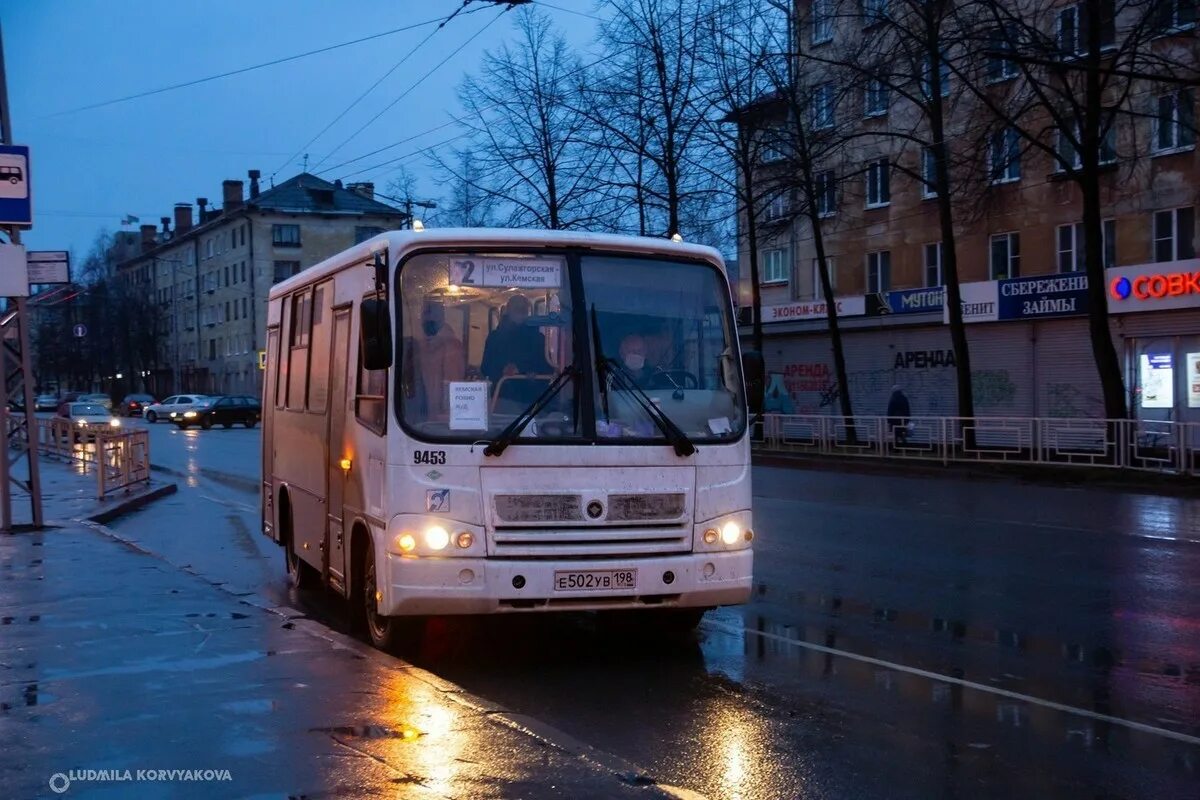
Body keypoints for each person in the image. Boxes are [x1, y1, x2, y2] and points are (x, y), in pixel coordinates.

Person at [480, 295, 551, 390]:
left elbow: (548, 367)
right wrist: (503, 369)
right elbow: (486, 367)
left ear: (528, 311)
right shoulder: (495, 337)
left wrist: (533, 372)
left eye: (523, 308)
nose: (520, 310)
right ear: (508, 310)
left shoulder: (538, 338)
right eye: (516, 307)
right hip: (503, 395)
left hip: (533, 396)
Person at [411, 301, 464, 419]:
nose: (424, 318)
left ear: (440, 316)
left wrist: (445, 418)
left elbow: (452, 387)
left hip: (440, 422)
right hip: (422, 417)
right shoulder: (421, 345)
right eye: (423, 313)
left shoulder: (451, 347)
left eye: (427, 312)